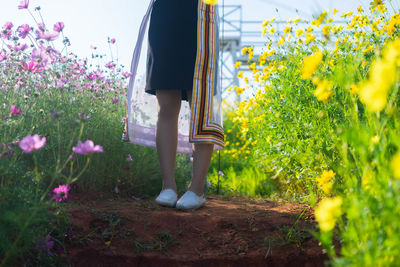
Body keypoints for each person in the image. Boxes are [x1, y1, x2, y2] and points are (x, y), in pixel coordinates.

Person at [124, 0, 225, 210]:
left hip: (200, 14)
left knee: (201, 104)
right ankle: (167, 186)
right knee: (167, 103)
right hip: (166, 14)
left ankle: (196, 189)